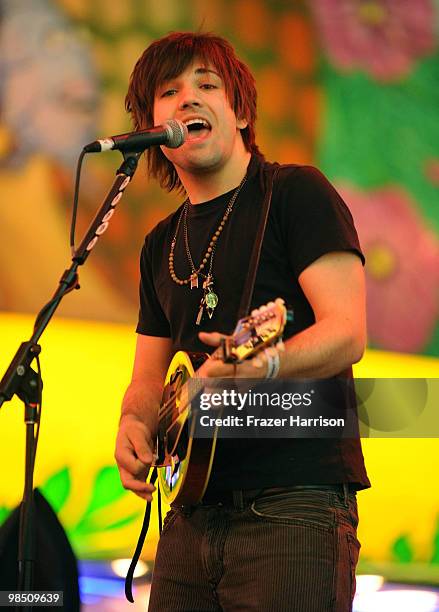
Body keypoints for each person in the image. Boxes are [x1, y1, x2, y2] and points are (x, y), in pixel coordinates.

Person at [115, 31, 370, 612]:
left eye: (208, 86)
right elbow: (147, 377)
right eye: (169, 91)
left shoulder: (295, 194)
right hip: (189, 512)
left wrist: (268, 361)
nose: (188, 100)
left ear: (243, 112)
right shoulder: (160, 245)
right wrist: (133, 422)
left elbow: (348, 332)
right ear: (150, 124)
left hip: (292, 504)